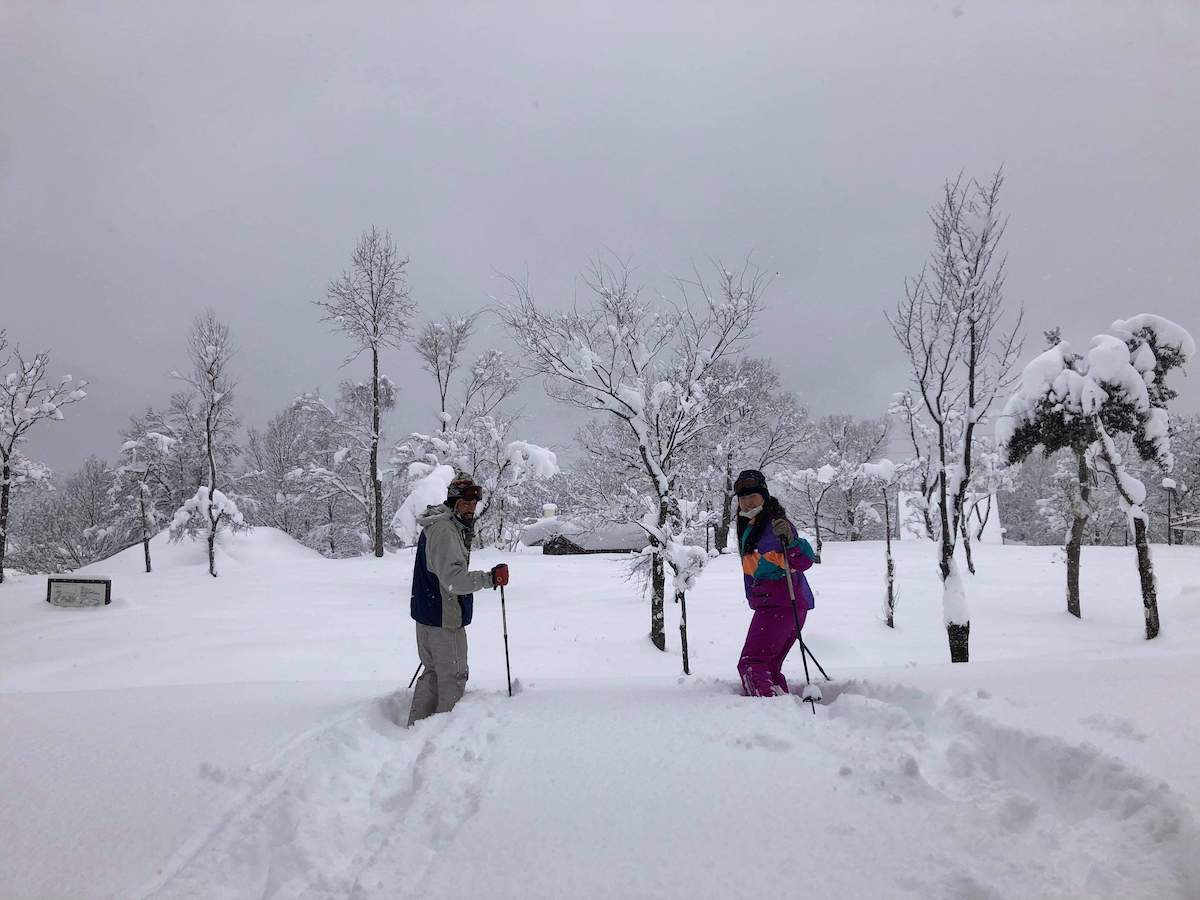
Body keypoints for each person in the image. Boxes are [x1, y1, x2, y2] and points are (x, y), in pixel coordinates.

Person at [407, 473, 509, 726]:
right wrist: (490, 578)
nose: (470, 507)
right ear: (453, 501)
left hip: (428, 614)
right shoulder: (445, 530)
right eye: (465, 502)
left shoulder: (439, 524)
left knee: (433, 672)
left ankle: (417, 728)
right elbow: (454, 581)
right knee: (452, 676)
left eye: (474, 503)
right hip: (443, 617)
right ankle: (442, 734)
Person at [734, 468, 816, 697]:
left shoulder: (776, 524)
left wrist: (791, 543)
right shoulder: (751, 525)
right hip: (778, 605)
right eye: (743, 499)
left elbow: (805, 560)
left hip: (782, 604)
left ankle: (767, 711)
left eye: (753, 497)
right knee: (768, 665)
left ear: (764, 496)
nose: (748, 503)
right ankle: (783, 706)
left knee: (752, 662)